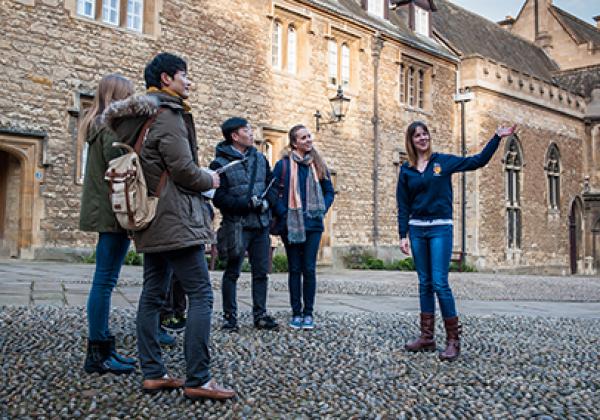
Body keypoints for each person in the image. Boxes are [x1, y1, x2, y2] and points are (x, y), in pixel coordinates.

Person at [104, 52, 235, 400]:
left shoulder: (137, 117)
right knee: (201, 294)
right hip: (175, 217)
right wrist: (209, 179)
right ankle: (199, 378)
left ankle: (154, 373)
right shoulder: (169, 114)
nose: (189, 81)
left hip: (149, 217)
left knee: (152, 294)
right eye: (184, 75)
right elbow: (182, 169)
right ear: (166, 79)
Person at [397, 120, 516, 361]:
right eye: (417, 136)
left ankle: (453, 340)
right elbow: (403, 205)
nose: (422, 138)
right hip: (417, 230)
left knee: (440, 282)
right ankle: (427, 337)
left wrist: (496, 137)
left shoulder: (443, 162)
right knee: (424, 283)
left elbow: (477, 161)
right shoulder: (406, 171)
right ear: (411, 141)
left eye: (425, 134)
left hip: (441, 228)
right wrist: (402, 235)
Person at [79, 73, 137, 376]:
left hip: (107, 210)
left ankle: (103, 348)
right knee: (104, 282)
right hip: (113, 212)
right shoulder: (108, 127)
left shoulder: (96, 122)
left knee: (104, 281)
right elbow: (122, 167)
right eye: (128, 94)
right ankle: (98, 352)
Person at [210, 117, 279, 332]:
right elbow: (218, 198)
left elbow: (273, 186)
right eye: (246, 130)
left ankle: (260, 314)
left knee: (261, 272)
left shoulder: (260, 159)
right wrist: (245, 204)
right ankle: (230, 318)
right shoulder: (219, 164)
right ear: (234, 136)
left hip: (260, 225)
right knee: (232, 273)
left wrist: (267, 202)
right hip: (236, 225)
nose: (251, 133)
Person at [271, 125, 335, 330]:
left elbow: (329, 191)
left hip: (313, 225)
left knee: (309, 269)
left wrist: (321, 209)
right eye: (304, 137)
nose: (309, 140)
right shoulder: (283, 166)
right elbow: (272, 193)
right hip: (291, 225)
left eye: (309, 136)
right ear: (294, 142)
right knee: (294, 269)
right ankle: (296, 312)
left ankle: (308, 313)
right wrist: (284, 213)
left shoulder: (317, 165)